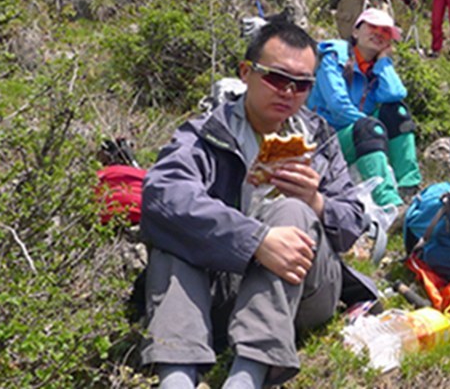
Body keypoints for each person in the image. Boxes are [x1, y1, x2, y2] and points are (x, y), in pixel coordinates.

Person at [140, 21, 375, 389]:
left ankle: (247, 375)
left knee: (294, 210)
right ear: (246, 73)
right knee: (174, 237)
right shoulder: (207, 134)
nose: (288, 92)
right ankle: (177, 378)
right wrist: (256, 240)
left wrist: (316, 202)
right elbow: (163, 194)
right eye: (277, 78)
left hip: (304, 294)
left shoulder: (319, 139)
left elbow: (351, 225)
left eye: (302, 85)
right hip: (220, 286)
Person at [307, 8, 420, 208]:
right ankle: (389, 203)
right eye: (372, 26)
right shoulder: (334, 57)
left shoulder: (375, 68)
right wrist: (370, 127)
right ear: (355, 31)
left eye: (385, 31)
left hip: (358, 135)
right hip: (323, 141)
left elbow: (395, 95)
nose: (378, 33)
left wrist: (384, 61)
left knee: (397, 113)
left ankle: (409, 189)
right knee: (368, 127)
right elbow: (338, 106)